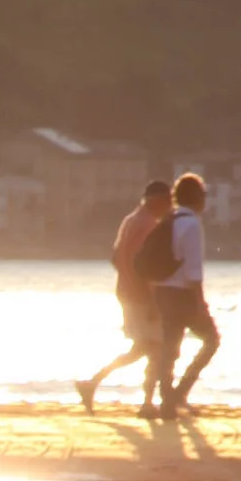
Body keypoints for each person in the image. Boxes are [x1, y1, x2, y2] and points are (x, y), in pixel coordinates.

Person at [78, 178, 174, 416]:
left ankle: (94, 383)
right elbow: (144, 266)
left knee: (143, 348)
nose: (170, 206)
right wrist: (150, 299)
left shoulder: (131, 220)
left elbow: (116, 258)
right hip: (140, 295)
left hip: (126, 292)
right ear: (157, 201)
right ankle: (147, 403)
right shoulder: (148, 225)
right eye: (168, 201)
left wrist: (128, 282)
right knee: (155, 348)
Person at [146, 171, 217, 417]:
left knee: (170, 348)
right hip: (183, 294)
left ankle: (167, 401)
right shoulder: (192, 224)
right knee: (211, 340)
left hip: (163, 292)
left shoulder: (170, 219)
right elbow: (193, 271)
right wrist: (201, 303)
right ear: (198, 198)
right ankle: (179, 394)